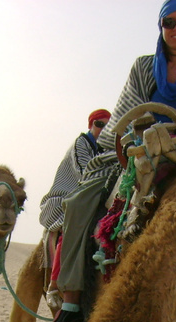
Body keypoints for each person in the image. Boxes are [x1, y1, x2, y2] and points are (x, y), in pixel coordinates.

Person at [42, 0, 176, 322]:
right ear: (161, 27)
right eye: (170, 22)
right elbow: (131, 106)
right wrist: (140, 134)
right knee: (80, 203)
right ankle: (70, 302)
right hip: (133, 146)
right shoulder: (143, 66)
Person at [39, 108, 111, 307]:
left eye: (107, 125)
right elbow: (86, 174)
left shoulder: (106, 148)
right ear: (90, 125)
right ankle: (56, 284)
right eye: (99, 124)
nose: (103, 129)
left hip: (93, 196)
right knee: (73, 227)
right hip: (65, 200)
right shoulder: (82, 144)